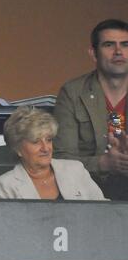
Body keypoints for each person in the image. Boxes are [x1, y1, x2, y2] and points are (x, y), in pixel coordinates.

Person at [53, 19, 128, 200]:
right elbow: (61, 158)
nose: (118, 52)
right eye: (109, 45)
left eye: (125, 45)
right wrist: (103, 163)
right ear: (93, 53)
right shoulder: (72, 92)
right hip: (86, 192)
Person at [0, 106, 105, 200]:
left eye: (49, 139)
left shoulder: (75, 170)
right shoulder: (5, 185)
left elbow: (105, 211)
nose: (46, 148)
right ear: (18, 149)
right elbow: (6, 226)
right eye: (36, 142)